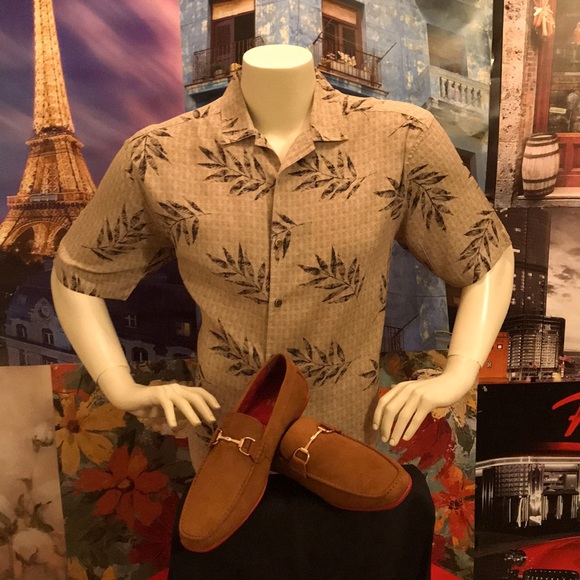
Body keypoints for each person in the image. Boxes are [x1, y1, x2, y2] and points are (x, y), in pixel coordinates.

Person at [51, 45, 514, 578]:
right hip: (226, 460)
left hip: (349, 452)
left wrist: (458, 374)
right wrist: (122, 387)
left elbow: (487, 257)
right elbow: (75, 275)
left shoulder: (401, 137)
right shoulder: (159, 154)